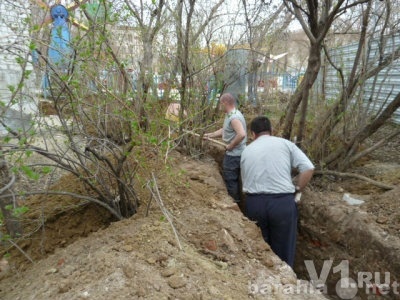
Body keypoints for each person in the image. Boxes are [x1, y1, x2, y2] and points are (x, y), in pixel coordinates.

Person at [240, 116, 314, 268]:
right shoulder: (285, 144)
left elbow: (244, 181)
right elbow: (308, 168)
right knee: (283, 253)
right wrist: (298, 190)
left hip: (255, 204)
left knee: (259, 250)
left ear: (252, 134)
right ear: (271, 131)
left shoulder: (247, 150)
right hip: (282, 204)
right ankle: (284, 285)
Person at [204, 93, 247, 203]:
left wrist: (231, 146)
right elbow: (225, 130)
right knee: (236, 180)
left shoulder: (234, 117)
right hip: (238, 154)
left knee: (231, 180)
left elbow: (241, 134)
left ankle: (234, 203)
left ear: (225, 103)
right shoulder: (231, 114)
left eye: (220, 104)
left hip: (234, 156)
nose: (219, 107)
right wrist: (210, 135)